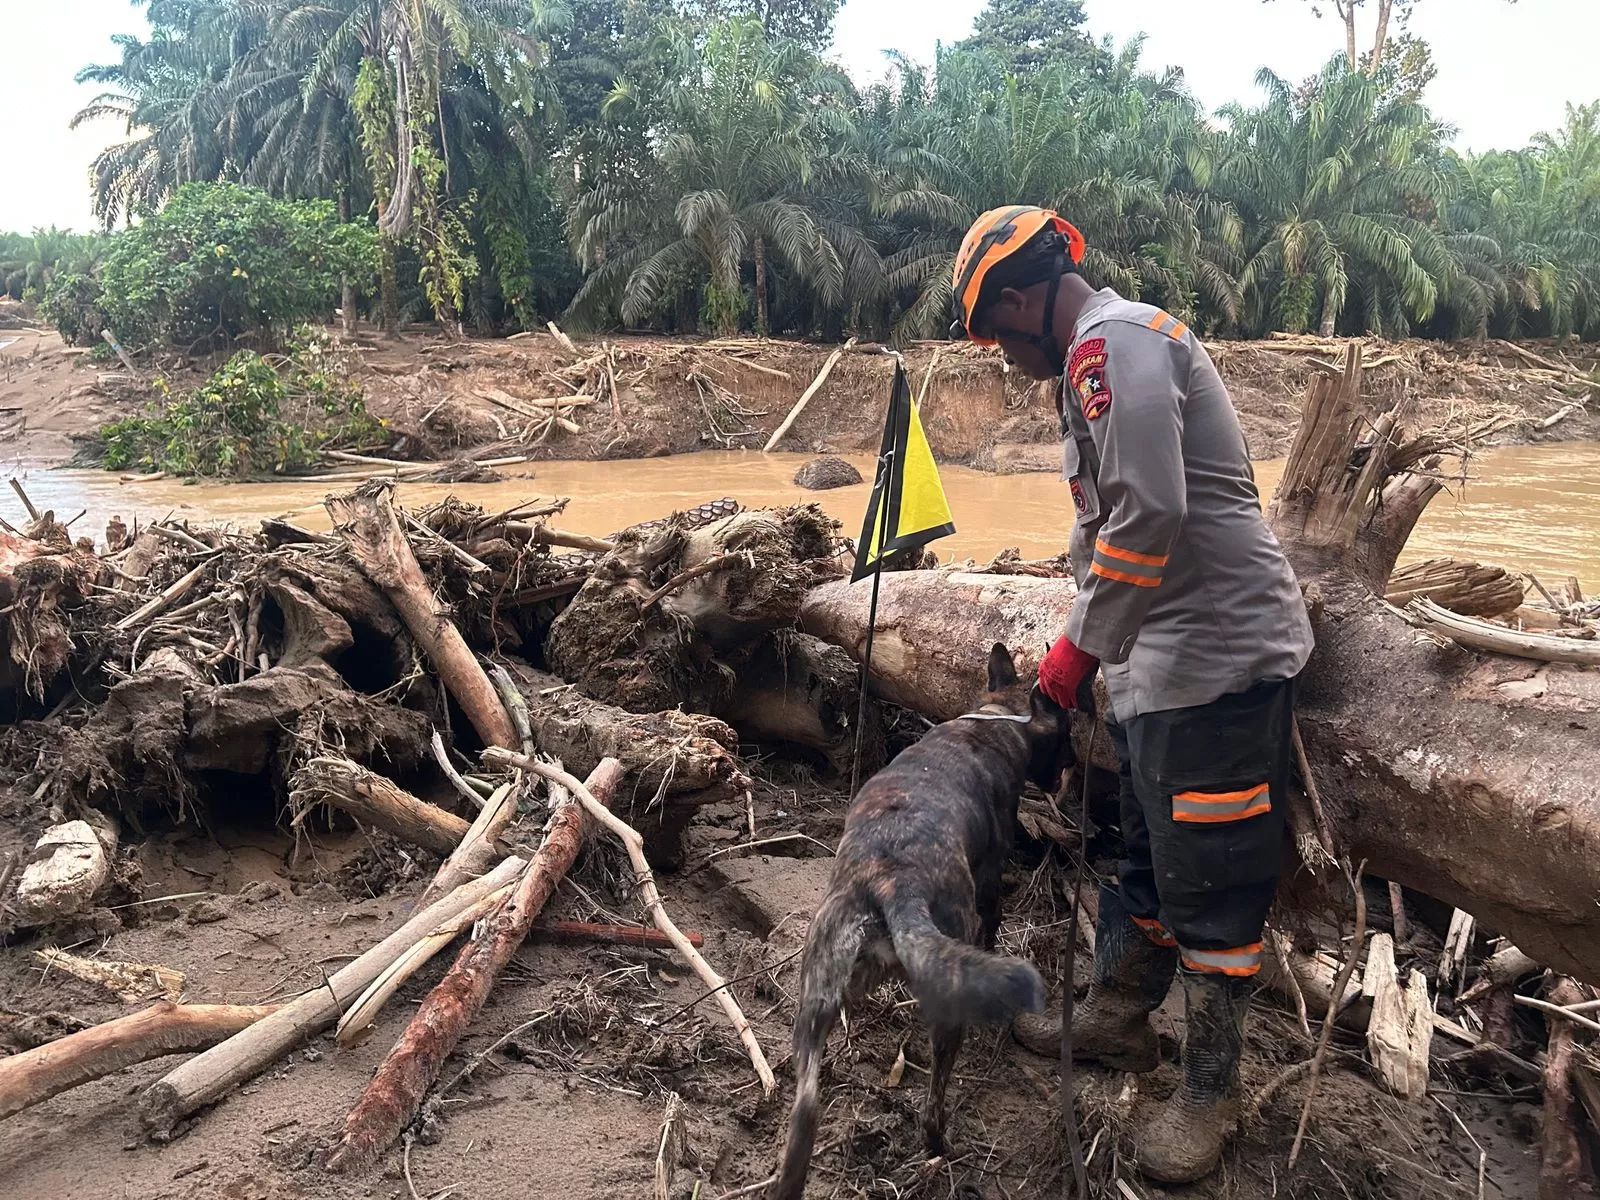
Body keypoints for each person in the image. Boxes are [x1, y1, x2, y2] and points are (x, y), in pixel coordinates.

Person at [948, 206, 1314, 1183]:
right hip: (1161, 661)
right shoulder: (1088, 367)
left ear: (1024, 302)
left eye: (993, 335)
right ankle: (1120, 1015)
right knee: (1149, 854)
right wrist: (1102, 669)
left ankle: (1211, 1090)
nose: (998, 357)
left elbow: (1150, 513)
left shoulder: (1117, 346)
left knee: (1217, 877)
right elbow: (1110, 532)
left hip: (1221, 662)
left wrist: (1070, 662)